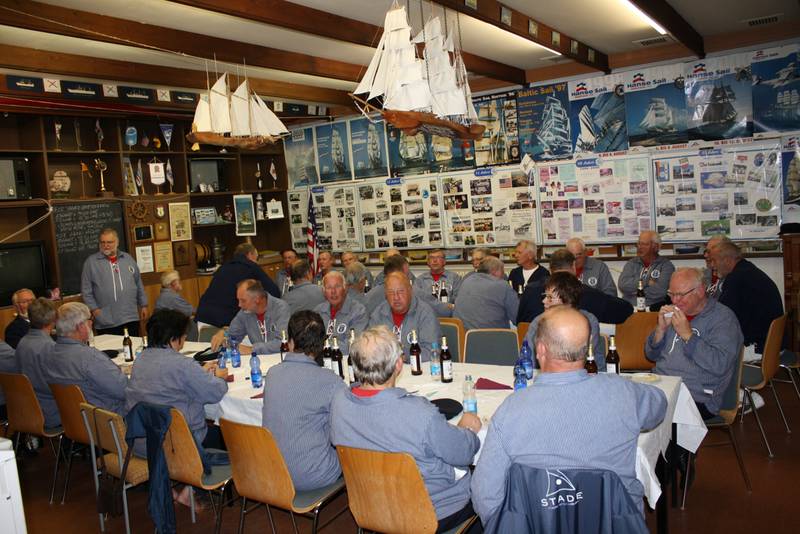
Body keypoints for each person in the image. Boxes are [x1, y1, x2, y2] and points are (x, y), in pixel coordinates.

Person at [471, 307, 667, 524]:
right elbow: (659, 406)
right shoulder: (625, 393)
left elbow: (485, 496)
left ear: (540, 350)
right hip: (616, 524)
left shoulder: (510, 410)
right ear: (587, 347)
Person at [330, 326, 481, 531]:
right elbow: (463, 454)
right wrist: (467, 430)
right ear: (399, 365)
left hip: (372, 506)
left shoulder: (339, 402)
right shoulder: (418, 413)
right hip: (431, 512)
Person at [125, 309, 228, 505]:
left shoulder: (141, 359)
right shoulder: (182, 364)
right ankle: (195, 487)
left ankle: (183, 485)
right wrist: (219, 377)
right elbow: (215, 392)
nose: (185, 338)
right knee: (224, 434)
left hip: (143, 442)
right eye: (183, 335)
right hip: (176, 446)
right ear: (174, 338)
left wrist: (198, 373)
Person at [262, 310, 346, 491]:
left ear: (290, 342)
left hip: (273, 471)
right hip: (313, 475)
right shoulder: (331, 381)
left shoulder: (272, 374)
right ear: (322, 345)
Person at [645, 268, 742, 419]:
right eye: (671, 294)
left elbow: (720, 364)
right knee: (622, 402)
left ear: (700, 291)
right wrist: (660, 330)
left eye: (680, 295)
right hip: (662, 387)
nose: (675, 301)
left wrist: (688, 336)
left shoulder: (723, 319)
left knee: (646, 416)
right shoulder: (673, 313)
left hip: (697, 397)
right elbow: (651, 355)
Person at [44, 302, 127, 416]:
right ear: (80, 326)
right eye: (89, 319)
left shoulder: (49, 354)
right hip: (107, 419)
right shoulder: (90, 357)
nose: (92, 323)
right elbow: (124, 390)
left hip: (73, 419)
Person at [707, 240, 783, 358]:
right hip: (772, 344)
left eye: (713, 260)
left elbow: (721, 316)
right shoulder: (747, 269)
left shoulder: (736, 279)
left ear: (727, 260)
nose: (712, 265)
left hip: (757, 348)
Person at [517, 249, 632, 325]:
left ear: (550, 268)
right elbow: (625, 310)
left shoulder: (530, 290)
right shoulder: (582, 291)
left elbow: (520, 322)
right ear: (573, 266)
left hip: (534, 349)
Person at [524, 272, 605, 370]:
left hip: (588, 374)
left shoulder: (587, 321)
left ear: (567, 301)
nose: (544, 301)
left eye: (550, 297)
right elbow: (527, 358)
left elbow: (582, 359)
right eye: (545, 296)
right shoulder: (538, 321)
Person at [196, 243, 281, 329]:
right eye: (257, 258)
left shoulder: (222, 268)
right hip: (226, 321)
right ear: (250, 254)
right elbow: (274, 292)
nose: (256, 261)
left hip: (203, 316)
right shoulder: (251, 266)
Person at [81, 228, 148, 335]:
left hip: (130, 317)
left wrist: (143, 305)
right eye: (103, 242)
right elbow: (86, 291)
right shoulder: (91, 263)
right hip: (106, 320)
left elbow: (138, 283)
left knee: (133, 344)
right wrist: (95, 310)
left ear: (117, 242)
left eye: (109, 242)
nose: (106, 245)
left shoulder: (128, 259)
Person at [368, 272, 440, 362]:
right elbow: (370, 348)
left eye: (401, 291)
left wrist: (401, 355)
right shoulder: (378, 314)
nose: (396, 297)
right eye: (391, 292)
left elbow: (431, 352)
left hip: (417, 368)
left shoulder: (425, 313)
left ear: (410, 291)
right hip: (387, 368)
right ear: (385, 294)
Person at [211, 279, 290, 354]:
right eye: (238, 300)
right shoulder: (245, 312)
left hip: (280, 357)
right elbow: (233, 335)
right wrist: (223, 335)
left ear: (257, 299)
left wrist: (252, 349)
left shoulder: (281, 308)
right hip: (259, 359)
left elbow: (283, 342)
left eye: (243, 301)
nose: (239, 305)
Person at [14, 297, 58, 427]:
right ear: (53, 320)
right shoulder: (49, 347)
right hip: (52, 411)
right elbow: (59, 387)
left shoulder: (23, 342)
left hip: (29, 409)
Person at [454, 257, 518, 330]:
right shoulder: (502, 285)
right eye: (502, 271)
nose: (504, 275)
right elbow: (517, 317)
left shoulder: (467, 281)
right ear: (495, 271)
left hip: (463, 334)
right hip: (493, 334)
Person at [314, 271, 368, 354]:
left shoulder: (358, 311)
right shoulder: (318, 311)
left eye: (337, 286)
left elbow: (353, 345)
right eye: (329, 287)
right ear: (324, 292)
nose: (333, 291)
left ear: (345, 288)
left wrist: (321, 346)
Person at [618, 230, 674, 309]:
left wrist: (633, 292)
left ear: (655, 247)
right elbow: (623, 285)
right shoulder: (631, 263)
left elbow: (660, 292)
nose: (640, 247)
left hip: (653, 308)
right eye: (639, 243)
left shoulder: (666, 266)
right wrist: (646, 281)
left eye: (644, 244)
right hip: (630, 307)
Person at [415, 249, 462, 317]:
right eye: (431, 258)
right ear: (428, 262)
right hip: (426, 317)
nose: (435, 260)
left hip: (449, 318)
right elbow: (417, 302)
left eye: (438, 257)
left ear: (444, 261)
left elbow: (458, 302)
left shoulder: (455, 278)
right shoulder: (420, 280)